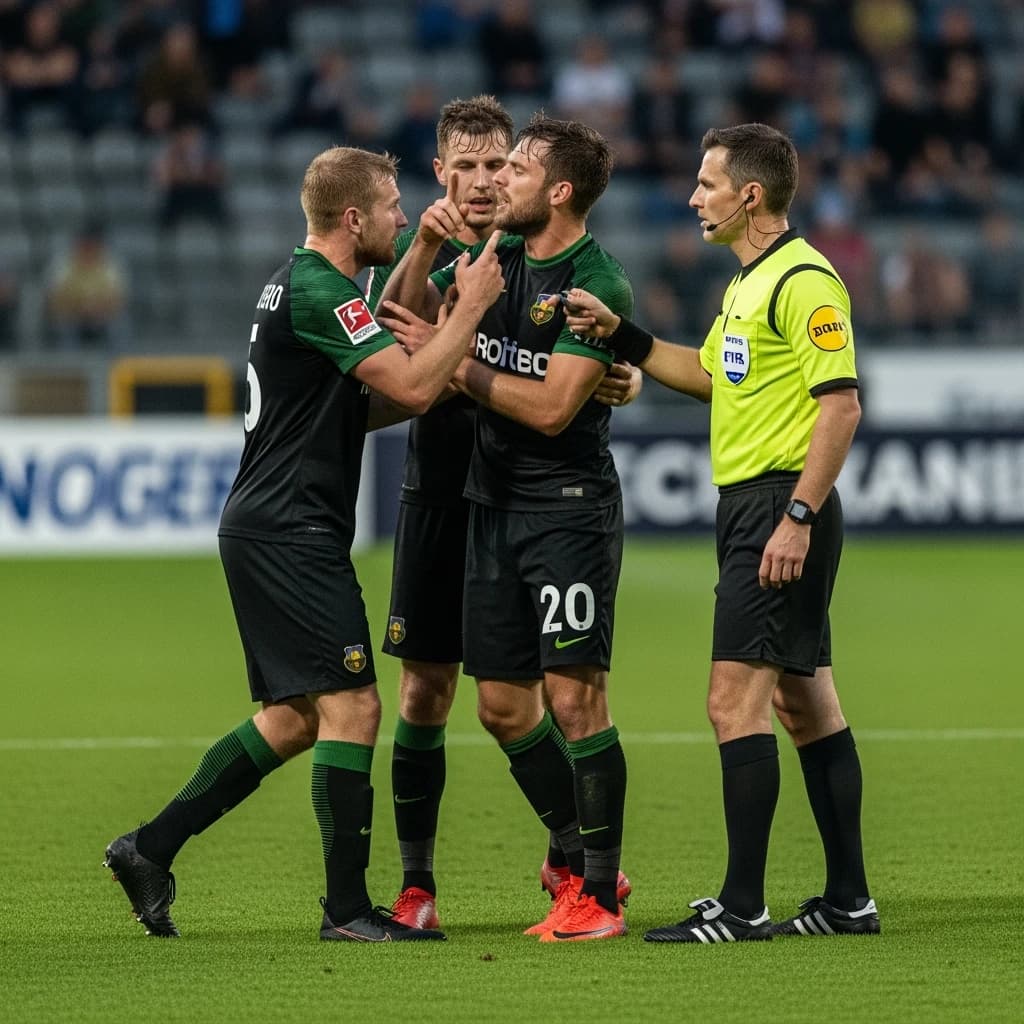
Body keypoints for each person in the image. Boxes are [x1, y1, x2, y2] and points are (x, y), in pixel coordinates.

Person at [103, 145, 505, 943]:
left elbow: (367, 409)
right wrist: (469, 313)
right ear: (353, 217)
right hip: (290, 528)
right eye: (392, 204)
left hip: (266, 522)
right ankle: (348, 911)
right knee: (354, 705)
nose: (402, 214)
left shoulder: (302, 283)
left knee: (292, 718)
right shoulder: (325, 292)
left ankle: (148, 849)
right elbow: (415, 389)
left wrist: (448, 371)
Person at [562, 122, 878, 943]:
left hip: (779, 507)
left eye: (706, 184)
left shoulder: (806, 281)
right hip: (754, 506)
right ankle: (849, 900)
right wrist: (621, 337)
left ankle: (743, 907)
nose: (693, 197)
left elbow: (840, 405)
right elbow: (711, 375)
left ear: (750, 195)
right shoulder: (749, 283)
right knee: (808, 707)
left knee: (731, 702)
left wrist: (798, 517)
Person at [366, 96, 636, 931]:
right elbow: (391, 333)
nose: (487, 180)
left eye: (503, 165)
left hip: (531, 491)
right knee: (427, 694)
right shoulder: (447, 248)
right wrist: (427, 248)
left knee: (546, 696)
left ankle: (586, 871)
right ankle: (420, 887)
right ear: (441, 172)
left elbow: (557, 390)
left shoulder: (547, 256)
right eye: (473, 167)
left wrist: (610, 370)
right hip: (446, 491)